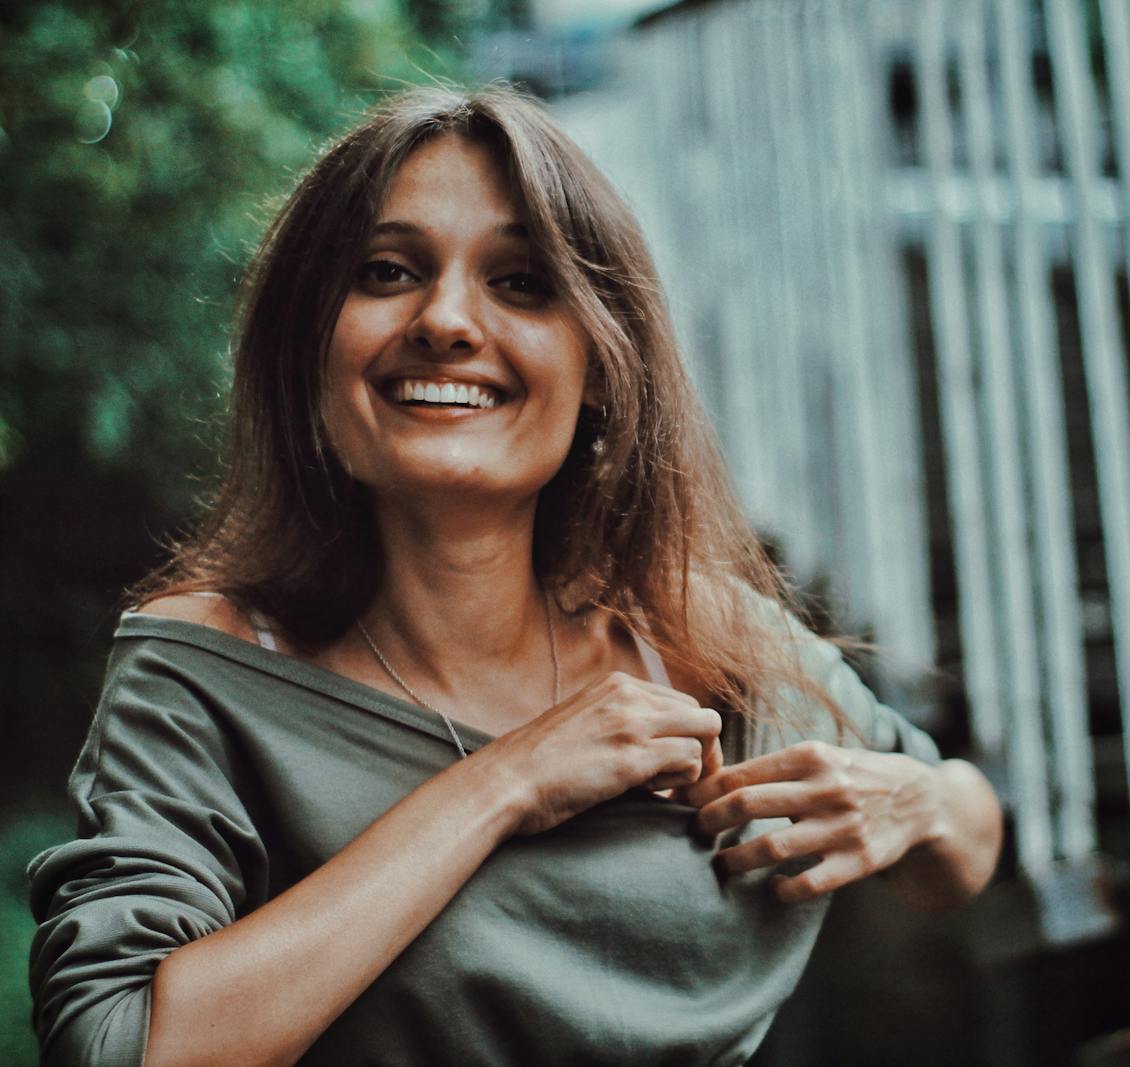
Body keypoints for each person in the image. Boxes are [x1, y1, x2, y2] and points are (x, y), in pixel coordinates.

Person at [28, 86, 1002, 1067]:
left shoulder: (701, 638)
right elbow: (121, 1045)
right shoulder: (208, 669)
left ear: (602, 369)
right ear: (307, 347)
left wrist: (925, 804)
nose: (446, 319)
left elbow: (960, 840)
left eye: (523, 282)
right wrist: (507, 777)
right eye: (387, 271)